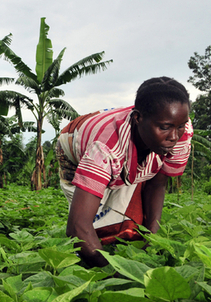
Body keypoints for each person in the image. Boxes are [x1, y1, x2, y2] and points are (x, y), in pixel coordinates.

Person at [57, 76, 192, 267]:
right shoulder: (105, 148)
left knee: (132, 222)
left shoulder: (180, 130)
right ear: (138, 118)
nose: (174, 137)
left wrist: (151, 238)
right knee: (92, 225)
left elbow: (157, 184)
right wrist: (118, 273)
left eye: (179, 126)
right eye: (164, 127)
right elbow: (77, 226)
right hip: (73, 144)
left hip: (119, 146)